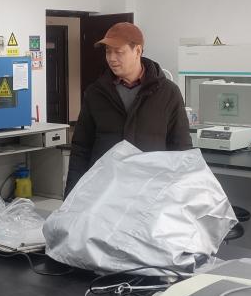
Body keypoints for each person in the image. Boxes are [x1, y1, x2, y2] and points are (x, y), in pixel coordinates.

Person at [65, 22, 192, 195]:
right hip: (105, 190)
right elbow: (81, 148)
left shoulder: (168, 93)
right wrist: (71, 195)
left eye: (119, 52)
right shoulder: (95, 93)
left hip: (150, 191)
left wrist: (181, 194)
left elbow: (181, 148)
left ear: (137, 51)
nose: (111, 58)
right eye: (108, 51)